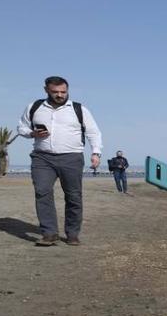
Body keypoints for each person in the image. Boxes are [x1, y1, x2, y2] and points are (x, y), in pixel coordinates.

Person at [17, 76, 104, 246]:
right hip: (42, 157)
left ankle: (72, 234)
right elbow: (21, 128)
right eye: (55, 92)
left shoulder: (79, 109)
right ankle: (49, 234)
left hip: (71, 157)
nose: (60, 95)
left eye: (63, 92)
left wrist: (96, 153)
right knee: (42, 192)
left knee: (73, 196)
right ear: (46, 90)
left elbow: (94, 132)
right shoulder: (34, 107)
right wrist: (33, 133)